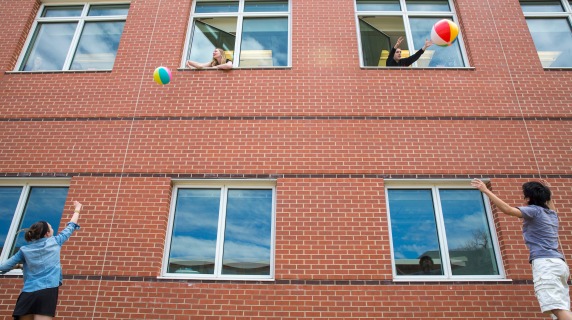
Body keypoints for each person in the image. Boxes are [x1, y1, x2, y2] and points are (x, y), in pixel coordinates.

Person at [471, 179, 572, 320]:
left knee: (557, 308)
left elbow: (508, 210)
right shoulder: (552, 214)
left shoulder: (534, 211)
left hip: (546, 264)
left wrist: (485, 190)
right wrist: (547, 191)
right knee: (561, 308)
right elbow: (549, 203)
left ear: (529, 198)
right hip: (559, 264)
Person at [0, 201, 82, 320]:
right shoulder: (55, 241)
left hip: (27, 293)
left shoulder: (24, 250)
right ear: (48, 233)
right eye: (51, 227)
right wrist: (77, 209)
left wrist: (19, 266)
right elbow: (71, 226)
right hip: (47, 292)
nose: (53, 229)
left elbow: (3, 267)